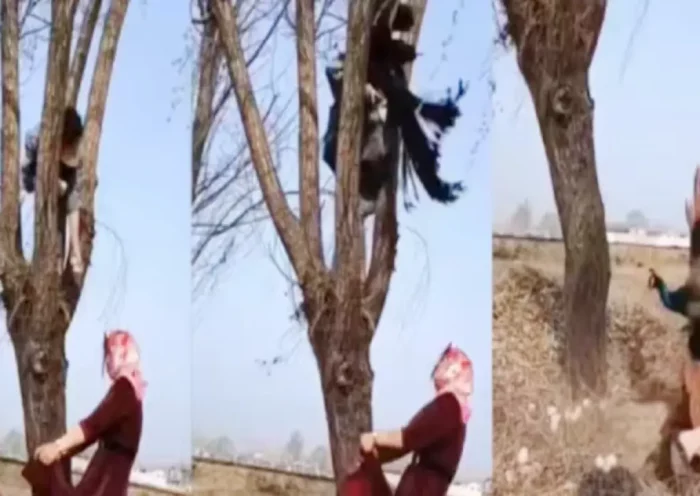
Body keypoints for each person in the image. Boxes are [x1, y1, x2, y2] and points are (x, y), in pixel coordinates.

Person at [322, 0, 465, 218]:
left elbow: (411, 132)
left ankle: (367, 187)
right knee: (336, 148)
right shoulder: (374, 58)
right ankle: (366, 186)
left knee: (363, 142)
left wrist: (431, 181)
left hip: (368, 135)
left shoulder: (390, 72)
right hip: (354, 126)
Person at [22, 330, 145, 496]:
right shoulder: (132, 391)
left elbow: (92, 426)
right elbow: (92, 433)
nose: (107, 361)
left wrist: (57, 448)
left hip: (104, 484)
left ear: (120, 353)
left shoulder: (124, 389)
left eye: (109, 354)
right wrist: (61, 450)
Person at [341, 343, 472, 496]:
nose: (438, 365)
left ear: (455, 370)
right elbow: (407, 443)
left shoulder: (449, 405)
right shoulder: (451, 407)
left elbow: (409, 438)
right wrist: (373, 456)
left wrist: (374, 439)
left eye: (445, 362)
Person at [22, 106, 86, 275]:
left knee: (70, 192)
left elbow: (74, 203)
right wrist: (51, 182)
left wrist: (76, 250)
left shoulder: (77, 149)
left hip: (63, 175)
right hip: (36, 171)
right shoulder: (38, 139)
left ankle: (73, 252)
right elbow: (27, 178)